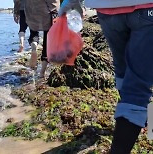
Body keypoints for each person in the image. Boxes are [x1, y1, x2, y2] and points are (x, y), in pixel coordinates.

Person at [58, 0, 153, 153]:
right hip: (147, 8)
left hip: (107, 10)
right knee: (138, 85)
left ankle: (143, 120)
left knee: (123, 70)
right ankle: (134, 125)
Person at [24, 0, 60, 78]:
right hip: (46, 13)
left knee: (33, 33)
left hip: (30, 12)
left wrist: (17, 11)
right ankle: (42, 73)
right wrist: (56, 11)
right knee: (47, 43)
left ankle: (34, 47)